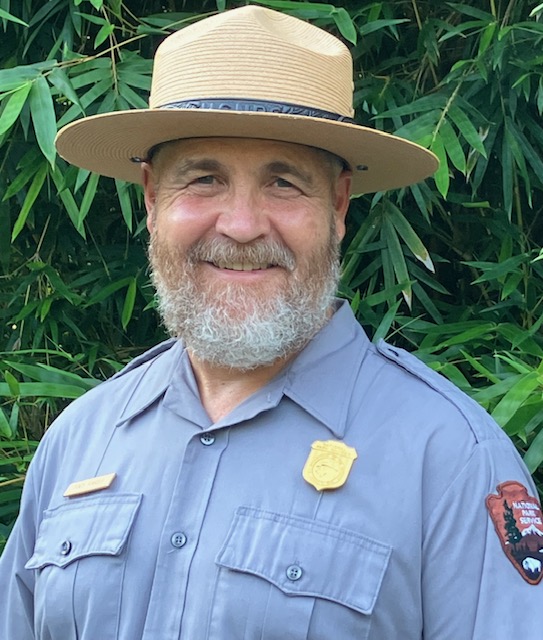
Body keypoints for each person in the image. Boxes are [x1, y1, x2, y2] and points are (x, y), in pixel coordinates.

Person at [1, 5, 542, 639]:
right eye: (203, 179)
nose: (241, 225)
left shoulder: (450, 459)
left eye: (283, 183)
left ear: (338, 206)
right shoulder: (79, 439)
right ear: (151, 200)